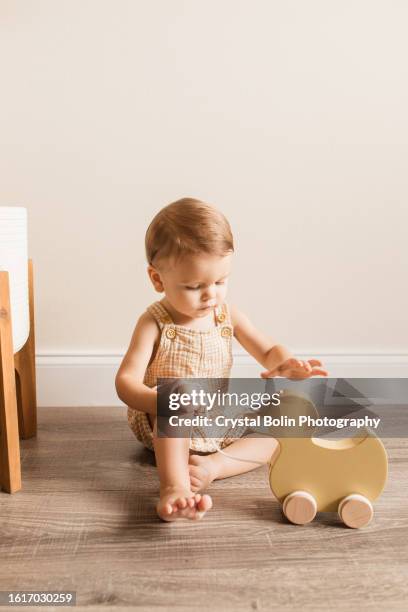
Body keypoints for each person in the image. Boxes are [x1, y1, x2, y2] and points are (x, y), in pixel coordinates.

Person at [115, 198, 328, 522]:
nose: (210, 295)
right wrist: (159, 399)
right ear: (158, 279)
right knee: (178, 402)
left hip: (218, 415)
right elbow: (125, 382)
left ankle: (216, 465)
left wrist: (286, 364)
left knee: (294, 415)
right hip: (165, 420)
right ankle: (174, 487)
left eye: (220, 281)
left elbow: (268, 350)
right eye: (194, 286)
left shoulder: (227, 315)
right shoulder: (154, 322)